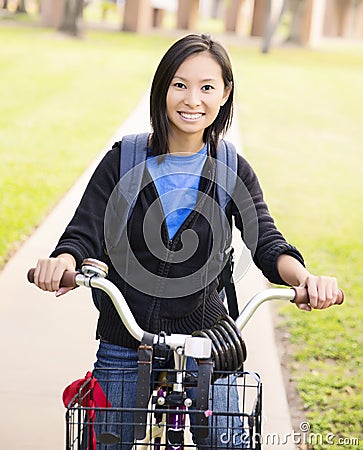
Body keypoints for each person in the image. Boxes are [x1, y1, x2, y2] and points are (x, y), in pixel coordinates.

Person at [32, 34, 340, 448]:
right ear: (161, 89)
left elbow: (266, 240)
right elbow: (83, 232)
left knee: (229, 440)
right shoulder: (124, 160)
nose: (192, 99)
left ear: (225, 93)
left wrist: (304, 279)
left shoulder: (231, 168)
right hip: (127, 332)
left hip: (209, 334)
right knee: (107, 440)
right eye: (180, 84)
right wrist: (64, 262)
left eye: (207, 87)